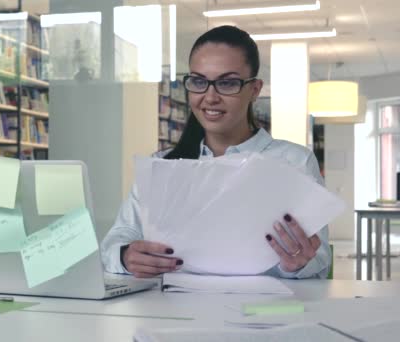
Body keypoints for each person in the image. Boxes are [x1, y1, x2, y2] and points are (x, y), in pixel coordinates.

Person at [101, 25, 331, 279]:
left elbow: (319, 260)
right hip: (171, 312)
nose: (210, 97)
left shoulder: (294, 161)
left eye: (227, 83)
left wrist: (297, 264)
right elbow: (118, 238)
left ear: (254, 90)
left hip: (261, 313)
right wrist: (125, 256)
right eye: (199, 81)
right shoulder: (163, 164)